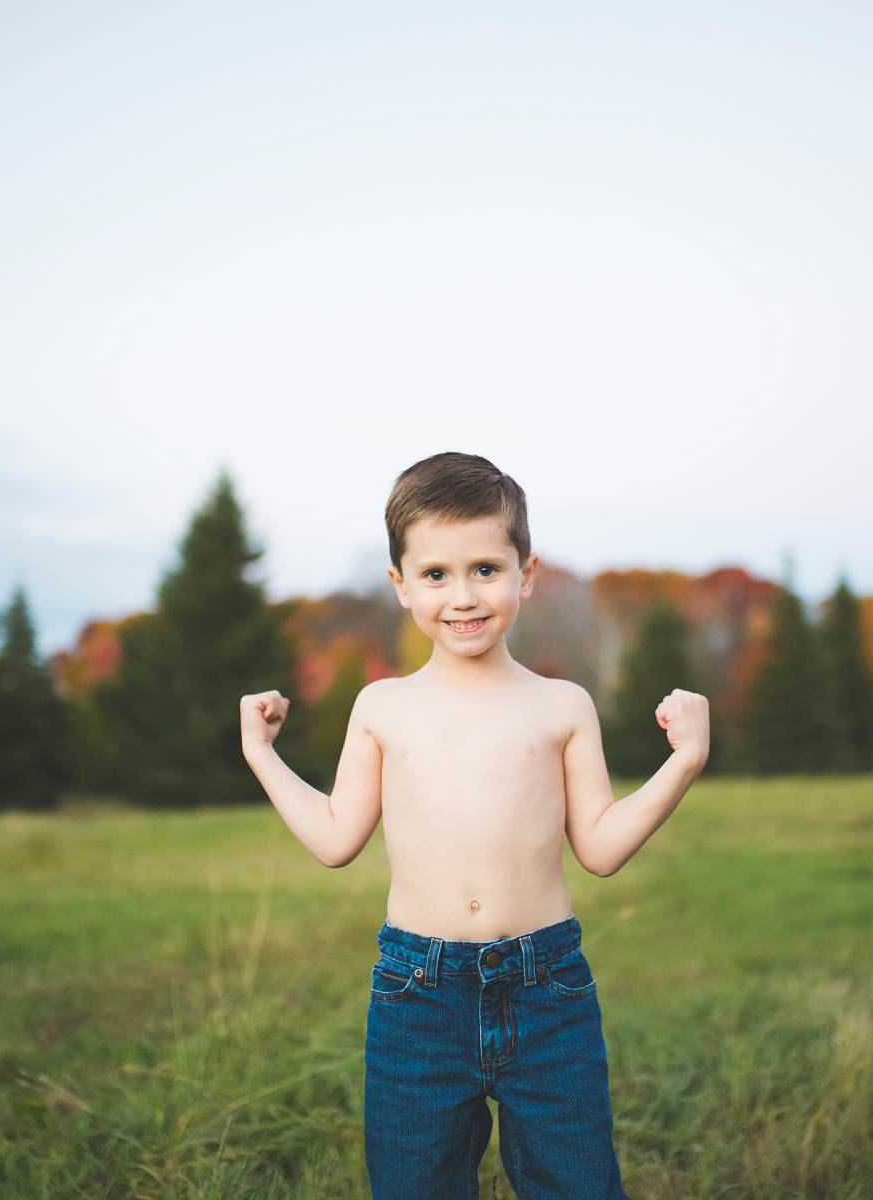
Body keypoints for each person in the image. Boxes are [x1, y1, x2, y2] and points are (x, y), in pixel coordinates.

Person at [240, 450, 710, 1199]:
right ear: (400, 585)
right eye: (436, 575)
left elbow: (601, 848)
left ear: (526, 573)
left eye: (486, 569)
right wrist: (259, 753)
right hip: (416, 997)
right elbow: (334, 838)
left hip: (547, 988)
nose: (463, 596)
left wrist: (684, 759)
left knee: (579, 1184)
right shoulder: (383, 708)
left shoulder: (563, 706)